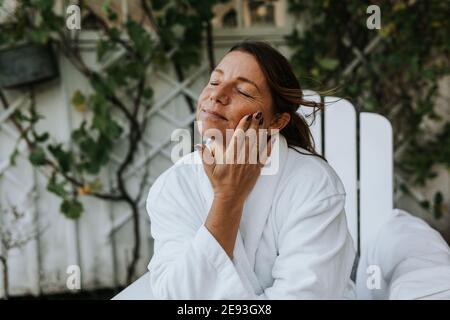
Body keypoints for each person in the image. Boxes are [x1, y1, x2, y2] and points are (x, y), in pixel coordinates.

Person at [146, 41, 356, 299]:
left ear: (277, 121)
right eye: (214, 82)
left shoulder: (312, 184)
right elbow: (176, 296)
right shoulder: (175, 185)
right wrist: (228, 198)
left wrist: (229, 197)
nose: (217, 95)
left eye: (243, 91)